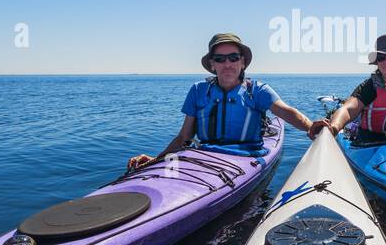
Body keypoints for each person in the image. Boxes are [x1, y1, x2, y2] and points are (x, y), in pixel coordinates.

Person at [128, 33, 313, 170]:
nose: (227, 64)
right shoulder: (198, 90)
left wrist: (311, 127)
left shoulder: (257, 90)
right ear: (212, 64)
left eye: (233, 58)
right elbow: (184, 137)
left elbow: (287, 112)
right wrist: (156, 160)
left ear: (242, 63)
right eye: (220, 59)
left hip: (247, 157)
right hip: (201, 156)